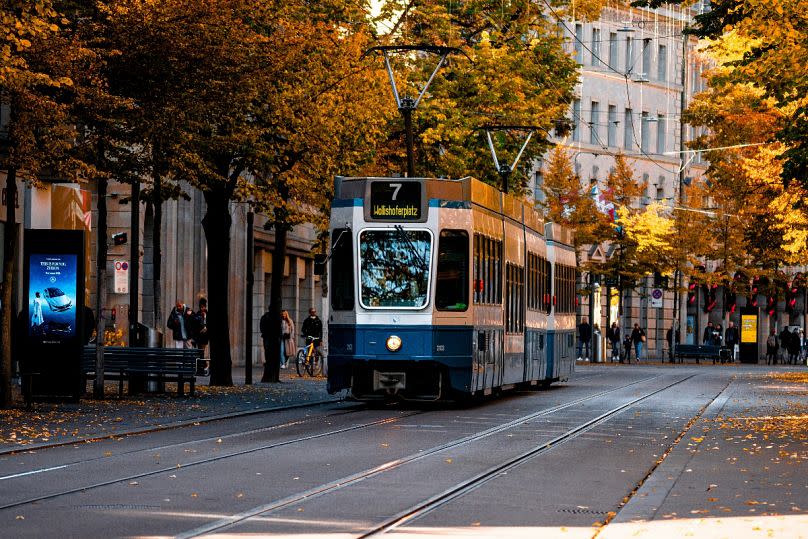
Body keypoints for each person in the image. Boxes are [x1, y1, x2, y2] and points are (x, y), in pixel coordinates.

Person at [192, 298, 209, 375]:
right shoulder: (197, 314)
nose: (202, 308)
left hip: (205, 335)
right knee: (200, 352)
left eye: (203, 307)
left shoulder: (207, 314)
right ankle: (203, 366)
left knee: (201, 351)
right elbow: (195, 324)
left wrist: (206, 328)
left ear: (205, 307)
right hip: (199, 335)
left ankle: (203, 366)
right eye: (201, 307)